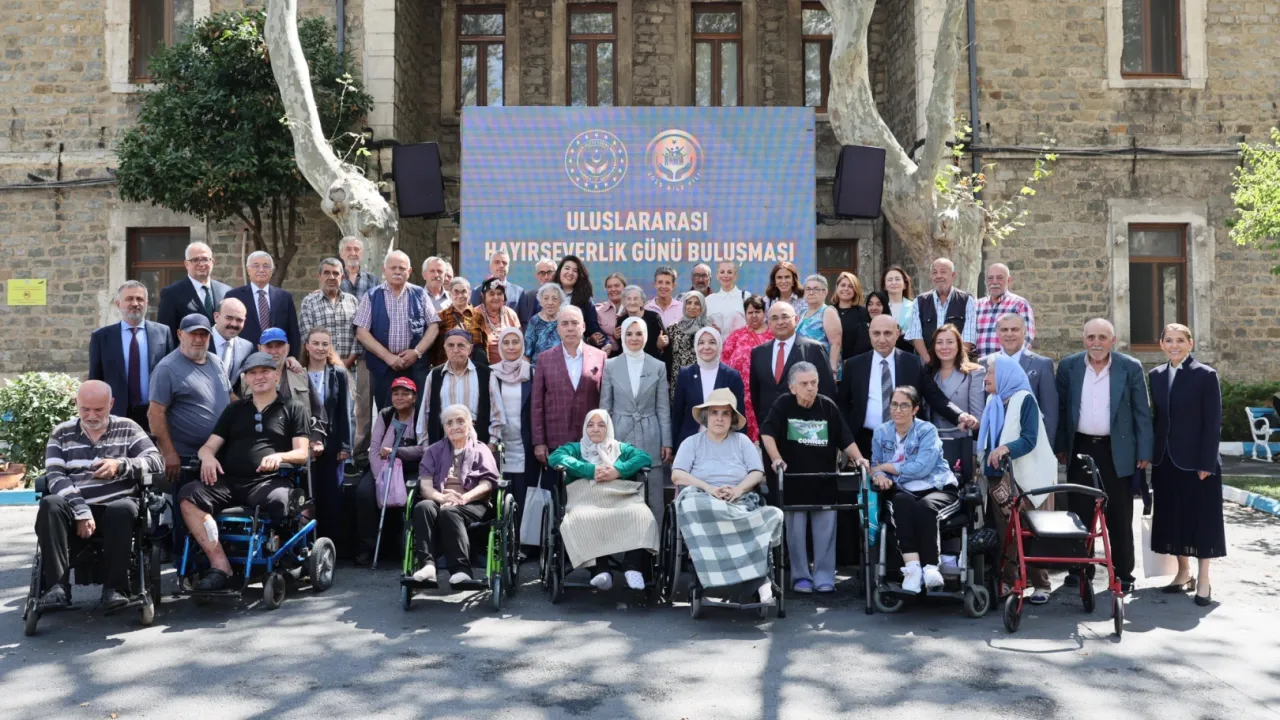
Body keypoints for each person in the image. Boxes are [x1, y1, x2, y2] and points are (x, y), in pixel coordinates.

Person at [177, 352, 311, 590]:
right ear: (246, 379)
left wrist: (279, 456)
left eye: (265, 371)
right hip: (229, 482)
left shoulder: (293, 408)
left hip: (268, 481)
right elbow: (208, 447)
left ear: (277, 375)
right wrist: (207, 457)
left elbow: (302, 453)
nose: (259, 377)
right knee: (188, 495)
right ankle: (220, 566)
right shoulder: (234, 410)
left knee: (281, 502)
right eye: (253, 373)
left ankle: (278, 559)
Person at [35, 380, 164, 611]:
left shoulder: (127, 427)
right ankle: (56, 588)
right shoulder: (62, 433)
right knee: (50, 504)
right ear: (76, 403)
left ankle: (116, 589)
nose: (91, 416)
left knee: (121, 509)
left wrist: (121, 465)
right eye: (85, 409)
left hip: (117, 506)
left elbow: (156, 462)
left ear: (111, 404)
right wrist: (81, 511)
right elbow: (55, 476)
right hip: (74, 507)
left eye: (99, 409)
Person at [1055, 318, 1153, 594]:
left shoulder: (1130, 367)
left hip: (1117, 450)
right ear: (1083, 339)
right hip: (1081, 447)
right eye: (1091, 337)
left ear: (1113, 340)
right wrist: (1061, 445)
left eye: (1102, 337)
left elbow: (1142, 412)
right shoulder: (1069, 366)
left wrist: (1144, 451)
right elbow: (1061, 409)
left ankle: (1123, 573)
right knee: (1079, 513)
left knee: (1119, 514)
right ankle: (1079, 569)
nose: (1096, 343)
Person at [761, 362, 868, 594]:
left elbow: (845, 438)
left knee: (826, 533)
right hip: (794, 482)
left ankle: (824, 577)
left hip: (824, 480)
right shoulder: (783, 404)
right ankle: (801, 577)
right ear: (792, 387)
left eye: (813, 383)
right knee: (796, 535)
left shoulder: (827, 406)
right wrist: (776, 459)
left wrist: (859, 458)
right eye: (804, 384)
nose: (810, 388)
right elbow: (767, 433)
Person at [672, 388, 783, 604]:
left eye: (725, 413)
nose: (719, 418)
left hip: (738, 500)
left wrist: (738, 490)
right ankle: (756, 580)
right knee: (691, 503)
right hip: (703, 498)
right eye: (714, 412)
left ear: (732, 418)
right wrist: (709, 488)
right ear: (706, 416)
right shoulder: (691, 443)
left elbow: (757, 473)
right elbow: (677, 475)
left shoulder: (742, 442)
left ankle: (757, 579)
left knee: (774, 514)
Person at [1148, 323, 1224, 606]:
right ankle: (1183, 572)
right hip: (1165, 460)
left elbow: (1213, 423)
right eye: (1169, 340)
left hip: (1197, 462)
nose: (1174, 345)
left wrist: (1207, 462)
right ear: (1161, 344)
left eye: (1180, 340)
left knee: (1201, 520)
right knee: (1173, 517)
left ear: (1190, 344)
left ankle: (1203, 578)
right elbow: (1157, 420)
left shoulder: (1205, 375)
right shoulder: (1156, 375)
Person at [839, 315, 978, 460]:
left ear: (897, 334)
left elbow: (934, 396)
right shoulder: (854, 365)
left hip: (908, 443)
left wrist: (959, 415)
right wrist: (847, 439)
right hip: (865, 442)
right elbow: (842, 403)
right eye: (876, 333)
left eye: (887, 333)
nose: (882, 339)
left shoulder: (914, 363)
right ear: (869, 334)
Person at [548, 410, 659, 591]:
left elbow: (644, 458)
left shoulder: (620, 448)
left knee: (642, 514)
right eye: (590, 425)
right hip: (585, 497)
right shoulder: (576, 448)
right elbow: (555, 457)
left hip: (620, 495)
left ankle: (633, 567)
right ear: (585, 428)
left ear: (609, 428)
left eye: (601, 425)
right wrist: (589, 470)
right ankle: (600, 570)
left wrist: (618, 470)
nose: (595, 429)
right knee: (582, 517)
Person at [979, 355, 1057, 604]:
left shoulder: (1024, 399)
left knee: (1030, 530)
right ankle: (1010, 582)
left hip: (1028, 478)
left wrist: (1005, 448)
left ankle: (1041, 584)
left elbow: (1029, 438)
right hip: (999, 477)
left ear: (1004, 375)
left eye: (990, 372)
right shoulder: (993, 401)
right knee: (1006, 533)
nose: (985, 377)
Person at [870, 386, 959, 594]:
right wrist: (879, 475)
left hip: (937, 486)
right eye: (894, 404)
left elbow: (921, 468)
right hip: (904, 490)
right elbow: (874, 465)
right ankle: (912, 569)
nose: (898, 410)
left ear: (915, 409)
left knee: (924, 507)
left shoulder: (927, 430)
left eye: (904, 405)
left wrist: (885, 467)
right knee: (901, 504)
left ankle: (930, 568)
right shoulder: (881, 432)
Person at [407, 404, 499, 586]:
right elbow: (425, 486)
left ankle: (461, 570)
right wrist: (441, 498)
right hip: (439, 498)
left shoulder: (481, 450)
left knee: (450, 512)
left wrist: (463, 498)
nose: (455, 426)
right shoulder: (433, 451)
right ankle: (427, 566)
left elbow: (487, 484)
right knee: (423, 506)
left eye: (460, 421)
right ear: (444, 428)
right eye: (449, 423)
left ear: (470, 424)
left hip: (473, 502)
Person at [354, 250, 442, 410]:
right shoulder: (372, 295)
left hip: (415, 367)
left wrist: (416, 352)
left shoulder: (420, 294)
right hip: (383, 367)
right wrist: (388, 357)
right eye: (393, 268)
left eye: (402, 268)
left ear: (409, 271)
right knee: (386, 412)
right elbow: (361, 332)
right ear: (384, 270)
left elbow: (434, 326)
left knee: (419, 412)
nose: (397, 272)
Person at [148, 314, 232, 482]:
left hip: (220, 455)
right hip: (187, 460)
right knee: (188, 496)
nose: (198, 339)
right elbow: (155, 413)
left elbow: (229, 395)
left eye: (203, 334)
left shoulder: (216, 361)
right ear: (180, 334)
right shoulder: (167, 368)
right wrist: (168, 453)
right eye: (193, 333)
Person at [602, 317, 672, 514]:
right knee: (621, 493)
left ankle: (654, 533)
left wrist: (666, 442)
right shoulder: (610, 365)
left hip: (650, 433)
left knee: (653, 495)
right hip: (619, 434)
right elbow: (605, 407)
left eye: (639, 333)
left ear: (646, 336)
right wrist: (603, 441)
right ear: (622, 336)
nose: (634, 338)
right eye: (629, 334)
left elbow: (663, 408)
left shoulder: (657, 366)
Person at [354, 377, 424, 565]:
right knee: (364, 493)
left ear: (414, 397)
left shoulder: (421, 416)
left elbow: (424, 449)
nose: (399, 397)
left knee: (410, 494)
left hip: (410, 467)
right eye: (395, 394)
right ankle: (367, 547)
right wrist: (381, 478)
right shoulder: (385, 415)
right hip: (383, 468)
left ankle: (407, 546)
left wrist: (398, 452)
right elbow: (375, 448)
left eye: (405, 394)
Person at [749, 301, 837, 449]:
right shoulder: (758, 352)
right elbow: (756, 393)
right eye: (774, 318)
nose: (780, 322)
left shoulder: (814, 349)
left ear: (796, 319)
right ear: (769, 323)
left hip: (805, 433)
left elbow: (827, 392)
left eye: (785, 317)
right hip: (770, 432)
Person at [89, 281, 174, 428]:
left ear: (146, 303)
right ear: (118, 304)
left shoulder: (163, 333)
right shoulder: (101, 337)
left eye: (139, 299)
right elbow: (95, 380)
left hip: (155, 413)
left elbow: (171, 374)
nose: (135, 303)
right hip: (116, 414)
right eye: (129, 299)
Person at [531, 306, 607, 466]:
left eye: (575, 323)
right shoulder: (544, 359)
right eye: (564, 324)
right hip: (556, 438)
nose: (570, 328)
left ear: (583, 326)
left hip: (591, 440)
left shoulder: (600, 357)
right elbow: (537, 404)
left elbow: (605, 401)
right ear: (558, 328)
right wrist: (539, 441)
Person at [301, 327, 352, 548]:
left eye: (325, 344)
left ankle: (329, 546)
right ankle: (306, 545)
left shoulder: (338, 373)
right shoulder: (298, 372)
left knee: (330, 496)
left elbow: (344, 411)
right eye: (316, 343)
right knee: (306, 495)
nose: (320, 348)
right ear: (307, 346)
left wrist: (345, 446)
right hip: (303, 443)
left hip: (332, 444)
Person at [415, 329, 505, 445]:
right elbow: (424, 413)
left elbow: (497, 413)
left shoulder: (485, 374)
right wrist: (425, 444)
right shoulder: (435, 375)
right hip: (442, 443)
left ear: (470, 349)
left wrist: (492, 443)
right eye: (450, 345)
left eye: (461, 345)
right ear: (445, 348)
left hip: (477, 443)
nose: (455, 350)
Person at [984, 312, 1058, 447]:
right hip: (993, 441)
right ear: (998, 333)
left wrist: (1046, 447)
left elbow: (1049, 413)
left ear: (1024, 332)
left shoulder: (1041, 364)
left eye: (1015, 329)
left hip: (1028, 442)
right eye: (1004, 330)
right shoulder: (984, 363)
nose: (1009, 334)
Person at [491, 328, 538, 535]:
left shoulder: (533, 373)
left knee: (524, 495)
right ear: (500, 346)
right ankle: (503, 541)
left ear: (522, 345)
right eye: (506, 342)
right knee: (501, 497)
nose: (511, 347)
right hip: (499, 446)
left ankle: (523, 541)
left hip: (526, 445)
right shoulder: (491, 374)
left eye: (515, 342)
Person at [339, 236, 379, 464]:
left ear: (362, 254)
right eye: (348, 249)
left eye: (357, 249)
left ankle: (359, 454)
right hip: (338, 354)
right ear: (341, 253)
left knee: (362, 407)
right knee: (339, 405)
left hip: (364, 354)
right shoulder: (334, 278)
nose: (353, 252)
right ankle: (342, 452)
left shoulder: (373, 281)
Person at [928, 324, 986, 479]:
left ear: (959, 345)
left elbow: (978, 417)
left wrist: (971, 422)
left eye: (950, 342)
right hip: (931, 448)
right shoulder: (927, 372)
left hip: (961, 446)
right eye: (939, 342)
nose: (944, 347)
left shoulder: (974, 373)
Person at [672, 326, 745, 449]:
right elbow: (677, 414)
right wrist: (673, 446)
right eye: (701, 342)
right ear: (696, 346)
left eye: (712, 342)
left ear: (719, 345)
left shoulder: (732, 376)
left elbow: (739, 414)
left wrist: (740, 447)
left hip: (724, 443)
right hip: (690, 442)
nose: (706, 347)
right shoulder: (685, 374)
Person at [256, 327, 325, 442]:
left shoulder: (300, 375)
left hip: (298, 442)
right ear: (259, 348)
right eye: (269, 346)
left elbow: (318, 411)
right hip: (261, 443)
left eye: (279, 346)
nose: (274, 351)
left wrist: (315, 439)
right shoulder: (247, 378)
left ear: (287, 348)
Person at [722, 295, 773, 441]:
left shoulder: (773, 335)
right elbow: (724, 361)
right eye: (750, 312)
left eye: (757, 311)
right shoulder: (737, 335)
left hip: (764, 394)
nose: (754, 315)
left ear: (764, 313)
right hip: (740, 394)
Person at [226, 251, 301, 350]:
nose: (261, 270)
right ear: (248, 270)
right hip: (244, 353)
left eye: (266, 266)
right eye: (256, 266)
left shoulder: (284, 297)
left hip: (276, 354)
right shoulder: (234, 296)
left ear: (272, 270)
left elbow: (293, 332)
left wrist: (293, 356)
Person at [906, 258, 977, 363]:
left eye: (943, 272)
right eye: (934, 273)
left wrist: (954, 363)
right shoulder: (920, 301)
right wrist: (928, 361)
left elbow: (968, 337)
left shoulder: (966, 300)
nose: (938, 276)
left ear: (953, 275)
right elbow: (915, 335)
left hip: (957, 364)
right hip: (928, 364)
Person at [157, 241, 230, 342]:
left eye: (205, 259)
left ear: (212, 262)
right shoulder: (171, 294)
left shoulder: (226, 291)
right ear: (186, 264)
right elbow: (166, 334)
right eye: (195, 260)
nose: (201, 264)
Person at [299, 258, 360, 374]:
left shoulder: (352, 301)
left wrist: (347, 362)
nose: (331, 277)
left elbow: (359, 334)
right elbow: (307, 337)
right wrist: (334, 362)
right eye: (326, 273)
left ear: (342, 277)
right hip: (319, 369)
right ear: (319, 276)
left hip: (349, 368)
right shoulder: (309, 302)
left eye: (336, 273)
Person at [974, 262, 1036, 359]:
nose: (994, 282)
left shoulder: (1019, 304)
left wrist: (1008, 362)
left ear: (1009, 280)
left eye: (999, 278)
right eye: (990, 278)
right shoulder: (977, 305)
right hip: (980, 365)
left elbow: (1027, 339)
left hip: (1010, 363)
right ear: (985, 281)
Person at [555, 254, 610, 353]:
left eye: (575, 271)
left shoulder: (585, 300)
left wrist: (606, 343)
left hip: (575, 351)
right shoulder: (547, 294)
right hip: (549, 350)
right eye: (567, 268)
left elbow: (593, 328)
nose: (570, 273)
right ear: (560, 271)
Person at [430, 277, 489, 368]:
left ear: (469, 294)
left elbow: (485, 345)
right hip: (447, 367)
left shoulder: (478, 317)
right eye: (456, 292)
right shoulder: (440, 316)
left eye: (464, 291)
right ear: (450, 294)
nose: (460, 295)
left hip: (473, 368)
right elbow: (433, 347)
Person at [665, 290, 710, 400]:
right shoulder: (672, 329)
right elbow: (666, 357)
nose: (692, 307)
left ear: (702, 306)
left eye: (697, 303)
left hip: (702, 379)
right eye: (689, 303)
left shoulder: (708, 330)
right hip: (678, 380)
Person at [797, 274, 843, 377]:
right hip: (804, 371)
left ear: (825, 292)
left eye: (816, 289)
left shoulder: (828, 311)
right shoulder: (802, 313)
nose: (811, 292)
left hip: (824, 369)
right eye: (808, 289)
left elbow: (836, 344)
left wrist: (833, 371)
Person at [613, 285, 668, 360]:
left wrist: (660, 345)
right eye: (628, 299)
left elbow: (664, 343)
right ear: (623, 302)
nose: (632, 302)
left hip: (651, 362)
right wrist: (616, 337)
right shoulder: (621, 321)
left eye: (636, 299)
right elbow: (621, 347)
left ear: (642, 302)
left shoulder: (653, 318)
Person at [476, 276, 522, 365]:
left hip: (510, 366)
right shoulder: (475, 315)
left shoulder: (510, 314)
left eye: (499, 294)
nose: (496, 297)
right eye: (492, 294)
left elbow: (519, 342)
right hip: (484, 367)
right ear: (483, 296)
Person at [211, 298, 254, 386]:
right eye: (229, 318)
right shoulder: (200, 341)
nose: (234, 324)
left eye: (239, 320)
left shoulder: (247, 347)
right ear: (216, 317)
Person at [832, 271, 872, 363]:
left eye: (850, 286)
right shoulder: (829, 311)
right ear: (837, 288)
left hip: (854, 363)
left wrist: (850, 362)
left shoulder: (863, 313)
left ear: (855, 290)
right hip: (831, 362)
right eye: (843, 285)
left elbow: (864, 343)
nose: (846, 289)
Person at [524, 283, 567, 366]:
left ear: (560, 302)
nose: (550, 302)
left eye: (554, 299)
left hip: (561, 368)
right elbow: (526, 353)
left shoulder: (565, 320)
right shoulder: (534, 321)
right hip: (537, 368)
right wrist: (529, 371)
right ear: (541, 302)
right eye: (546, 298)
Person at [704, 260, 750, 335]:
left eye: (729, 272)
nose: (725, 275)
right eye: (722, 272)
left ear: (735, 276)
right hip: (717, 342)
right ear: (717, 276)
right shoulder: (708, 300)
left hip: (740, 341)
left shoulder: (746, 297)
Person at [514, 258, 558, 326]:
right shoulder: (529, 297)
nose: (546, 277)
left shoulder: (565, 295)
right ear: (537, 276)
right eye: (542, 273)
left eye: (549, 272)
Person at [595, 272, 627, 352]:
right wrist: (613, 337)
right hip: (608, 354)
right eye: (609, 287)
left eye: (617, 286)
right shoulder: (598, 311)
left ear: (625, 288)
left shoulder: (633, 309)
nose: (613, 289)